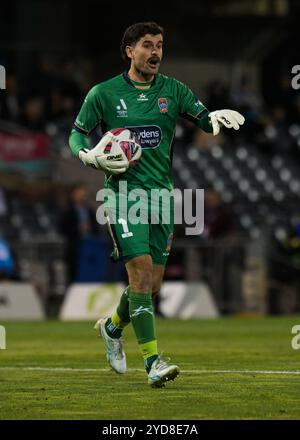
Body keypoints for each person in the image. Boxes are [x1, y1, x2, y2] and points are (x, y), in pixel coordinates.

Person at [69, 22, 244, 387]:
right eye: (147, 45)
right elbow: (76, 133)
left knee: (152, 285)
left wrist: (214, 120)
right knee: (142, 276)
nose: (155, 52)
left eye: (160, 45)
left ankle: (113, 328)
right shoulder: (103, 93)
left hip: (162, 197)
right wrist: (86, 156)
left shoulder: (174, 90)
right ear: (129, 50)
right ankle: (152, 363)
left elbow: (204, 120)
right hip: (124, 197)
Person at [59, 182, 99, 284]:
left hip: (90, 248)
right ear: (73, 194)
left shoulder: (90, 211)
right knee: (74, 274)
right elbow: (62, 229)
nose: (82, 195)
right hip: (74, 248)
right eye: (79, 192)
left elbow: (97, 229)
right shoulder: (67, 212)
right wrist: (78, 228)